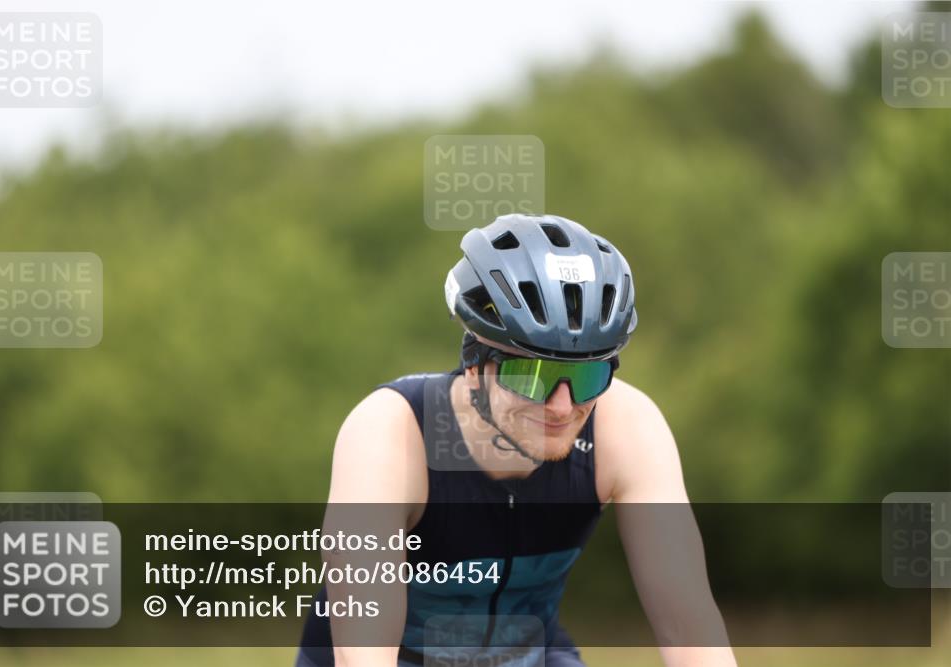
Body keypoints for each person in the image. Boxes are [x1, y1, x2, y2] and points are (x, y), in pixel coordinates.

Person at [296, 214, 737, 667]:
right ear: (474, 366)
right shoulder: (390, 432)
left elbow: (690, 628)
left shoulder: (627, 424)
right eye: (531, 375)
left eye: (587, 375)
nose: (562, 407)